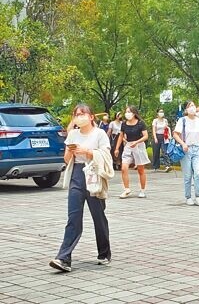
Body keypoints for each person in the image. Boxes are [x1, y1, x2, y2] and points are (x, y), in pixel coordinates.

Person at [49, 104, 113, 272]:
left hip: (93, 173)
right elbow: (66, 159)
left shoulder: (99, 134)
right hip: (77, 175)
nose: (80, 117)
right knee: (73, 217)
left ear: (91, 116)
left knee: (98, 216)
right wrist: (71, 151)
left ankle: (104, 252)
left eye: (83, 114)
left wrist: (88, 151)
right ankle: (63, 258)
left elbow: (106, 156)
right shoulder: (72, 134)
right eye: (77, 114)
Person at [173, 101, 199, 206]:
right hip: (186, 149)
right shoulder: (182, 121)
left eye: (193, 106)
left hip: (197, 149)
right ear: (186, 110)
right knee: (187, 175)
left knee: (198, 173)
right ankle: (188, 197)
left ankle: (198, 196)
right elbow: (175, 134)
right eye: (190, 106)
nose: (192, 108)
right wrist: (183, 144)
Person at [114, 106, 150, 199]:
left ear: (134, 113)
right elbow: (121, 136)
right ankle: (127, 189)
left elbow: (146, 136)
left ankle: (142, 190)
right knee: (124, 167)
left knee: (140, 169)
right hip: (128, 146)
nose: (127, 114)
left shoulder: (140, 123)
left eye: (129, 112)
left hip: (139, 145)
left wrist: (137, 142)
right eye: (126, 112)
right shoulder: (124, 124)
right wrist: (117, 148)